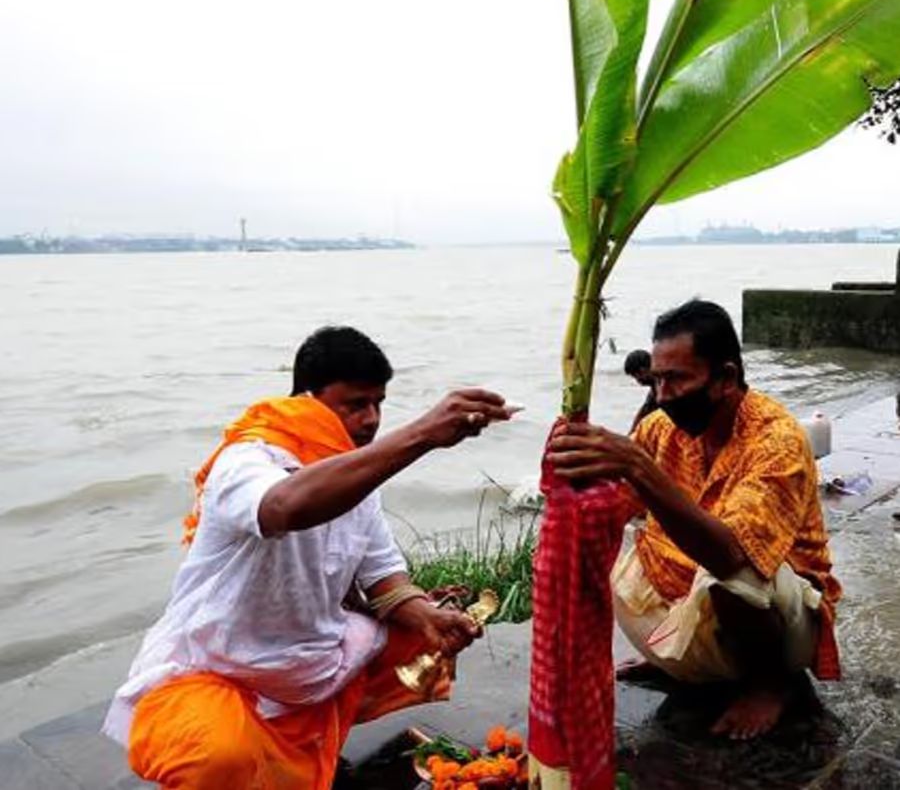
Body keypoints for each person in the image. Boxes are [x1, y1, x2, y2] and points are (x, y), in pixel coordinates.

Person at [103, 325, 514, 788]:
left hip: (305, 659)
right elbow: (284, 507)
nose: (371, 419)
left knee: (421, 635)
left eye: (378, 403)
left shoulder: (357, 476)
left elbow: (383, 577)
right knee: (217, 758)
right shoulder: (246, 459)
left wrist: (427, 616)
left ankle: (306, 748)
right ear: (306, 399)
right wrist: (421, 435)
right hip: (218, 668)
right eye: (355, 404)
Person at [548, 300, 842, 741]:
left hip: (782, 614)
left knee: (731, 577)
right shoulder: (660, 429)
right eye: (658, 378)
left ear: (725, 378)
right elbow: (614, 507)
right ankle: (680, 651)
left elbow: (730, 555)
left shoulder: (777, 439)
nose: (662, 396)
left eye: (678, 379)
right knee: (605, 541)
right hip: (689, 592)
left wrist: (638, 467)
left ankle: (769, 686)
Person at [624, 348, 658, 433]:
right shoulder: (655, 387)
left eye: (636, 376)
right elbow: (644, 411)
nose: (637, 380)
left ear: (643, 369)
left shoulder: (662, 384)